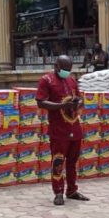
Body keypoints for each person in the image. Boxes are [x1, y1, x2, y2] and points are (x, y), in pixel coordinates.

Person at [36, 55, 90, 206]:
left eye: (69, 69)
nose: (67, 72)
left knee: (72, 161)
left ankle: (72, 190)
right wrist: (61, 106)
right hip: (58, 129)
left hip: (74, 126)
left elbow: (80, 98)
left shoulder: (71, 80)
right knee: (58, 160)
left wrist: (78, 103)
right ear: (56, 66)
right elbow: (40, 102)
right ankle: (58, 191)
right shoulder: (46, 80)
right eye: (65, 69)